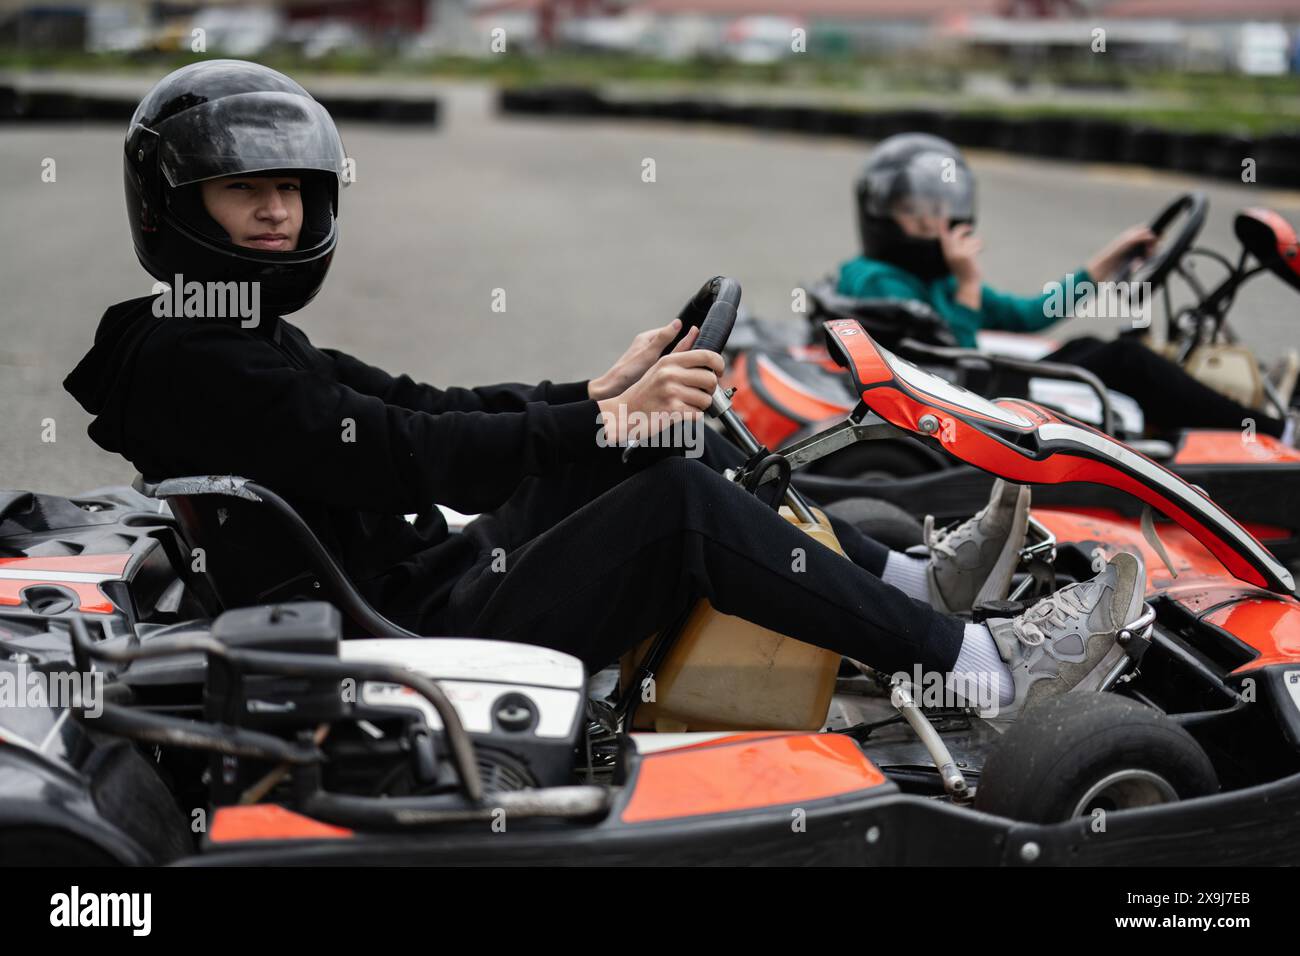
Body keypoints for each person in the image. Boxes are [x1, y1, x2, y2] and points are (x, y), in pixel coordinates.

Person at [64, 61, 1147, 722]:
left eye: (287, 193)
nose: (273, 216)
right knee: (676, 503)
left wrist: (603, 391)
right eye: (240, 191)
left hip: (403, 583)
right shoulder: (192, 359)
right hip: (392, 632)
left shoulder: (219, 331)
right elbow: (406, 450)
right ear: (174, 206)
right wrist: (600, 419)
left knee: (654, 442)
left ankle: (910, 587)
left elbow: (423, 402)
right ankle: (985, 671)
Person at [837, 133, 1292, 441]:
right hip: (970, 406)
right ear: (881, 214)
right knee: (1127, 359)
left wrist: (1103, 264)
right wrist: (969, 285)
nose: (937, 224)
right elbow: (952, 371)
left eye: (939, 210)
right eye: (916, 215)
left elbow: (1029, 315)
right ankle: (1274, 434)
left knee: (1095, 348)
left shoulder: (927, 277)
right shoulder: (878, 280)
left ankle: (1221, 416)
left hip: (975, 384)